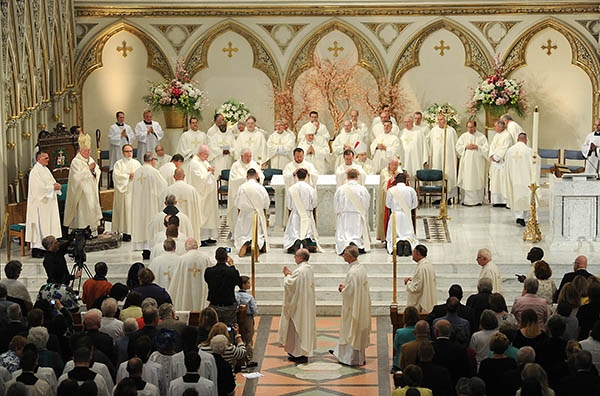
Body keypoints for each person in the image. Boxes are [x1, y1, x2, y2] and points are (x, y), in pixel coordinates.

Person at [331, 245, 371, 366]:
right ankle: (357, 357)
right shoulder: (361, 268)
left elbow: (350, 292)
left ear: (349, 256)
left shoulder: (353, 272)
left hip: (352, 307)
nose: (343, 255)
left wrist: (342, 290)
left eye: (344, 254)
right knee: (357, 331)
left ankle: (349, 359)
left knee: (351, 331)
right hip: (360, 304)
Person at [277, 248, 316, 364]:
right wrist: (290, 274)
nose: (294, 257)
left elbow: (290, 284)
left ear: (301, 258)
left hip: (298, 306)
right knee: (302, 328)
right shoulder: (308, 269)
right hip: (305, 304)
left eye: (296, 256)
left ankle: (299, 353)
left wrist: (287, 275)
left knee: (297, 328)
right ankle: (297, 352)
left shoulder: (300, 271)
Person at [131, 152, 168, 259]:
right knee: (150, 225)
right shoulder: (154, 172)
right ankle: (150, 248)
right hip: (150, 204)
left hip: (139, 204)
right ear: (152, 160)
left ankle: (144, 250)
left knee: (142, 225)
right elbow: (164, 186)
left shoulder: (138, 172)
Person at [63, 134, 102, 234]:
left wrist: (94, 172)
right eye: (86, 151)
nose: (88, 153)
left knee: (91, 211)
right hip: (80, 194)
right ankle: (80, 233)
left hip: (91, 192)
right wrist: (88, 169)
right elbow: (76, 178)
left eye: (89, 151)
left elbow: (97, 171)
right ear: (80, 151)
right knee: (82, 214)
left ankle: (92, 232)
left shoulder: (91, 160)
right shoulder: (76, 162)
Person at [25, 151, 62, 251]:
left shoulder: (45, 170)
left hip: (48, 204)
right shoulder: (35, 172)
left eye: (48, 158)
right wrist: (52, 187)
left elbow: (51, 183)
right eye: (45, 158)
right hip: (40, 205)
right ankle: (39, 248)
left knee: (49, 225)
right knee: (42, 225)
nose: (48, 160)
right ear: (39, 159)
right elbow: (38, 189)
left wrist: (56, 186)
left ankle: (50, 245)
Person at [233, 168, 270, 257]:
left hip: (244, 214)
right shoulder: (261, 188)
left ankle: (244, 244)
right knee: (258, 234)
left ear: (246, 177)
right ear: (256, 176)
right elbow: (266, 204)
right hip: (257, 215)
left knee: (243, 234)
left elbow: (237, 204)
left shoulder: (241, 188)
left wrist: (240, 216)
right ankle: (256, 244)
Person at [334, 169, 371, 255]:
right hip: (357, 216)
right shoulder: (362, 189)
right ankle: (356, 244)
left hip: (344, 216)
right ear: (357, 177)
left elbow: (336, 205)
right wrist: (362, 212)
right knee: (356, 233)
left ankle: (345, 246)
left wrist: (340, 212)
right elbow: (366, 204)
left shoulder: (341, 189)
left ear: (347, 177)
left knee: (344, 235)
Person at [187, 145, 219, 245]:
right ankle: (202, 237)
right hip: (201, 194)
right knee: (201, 214)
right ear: (200, 153)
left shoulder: (203, 161)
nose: (207, 157)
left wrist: (211, 171)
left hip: (208, 194)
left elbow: (208, 173)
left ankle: (209, 235)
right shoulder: (194, 163)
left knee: (210, 215)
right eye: (206, 155)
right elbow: (199, 180)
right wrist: (209, 173)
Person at [283, 168, 319, 254]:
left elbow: (288, 205)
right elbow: (314, 204)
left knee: (295, 232)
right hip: (307, 214)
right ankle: (305, 241)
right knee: (307, 231)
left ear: (296, 176)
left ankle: (296, 242)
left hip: (295, 214)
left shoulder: (291, 189)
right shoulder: (310, 189)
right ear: (307, 176)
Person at [226, 148, 264, 231]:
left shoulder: (254, 164)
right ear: (241, 156)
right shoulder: (236, 166)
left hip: (253, 196)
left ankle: (253, 233)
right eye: (247, 156)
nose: (249, 158)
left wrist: (258, 178)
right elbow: (234, 180)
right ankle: (238, 232)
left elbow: (261, 176)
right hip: (241, 195)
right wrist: (248, 178)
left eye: (250, 156)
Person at [169, 238, 210, 312]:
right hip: (201, 290)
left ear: (186, 247)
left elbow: (177, 279)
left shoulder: (182, 259)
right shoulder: (205, 258)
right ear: (197, 246)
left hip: (186, 291)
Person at [204, 247, 242, 326]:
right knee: (230, 328)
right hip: (229, 305)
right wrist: (232, 265)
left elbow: (207, 280)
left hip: (214, 304)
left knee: (213, 328)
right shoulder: (232, 272)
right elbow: (239, 283)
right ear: (227, 258)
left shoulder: (209, 271)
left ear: (215, 258)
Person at [455, 120, 489, 206]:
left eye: (472, 127)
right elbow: (458, 147)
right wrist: (465, 147)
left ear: (475, 127)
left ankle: (477, 200)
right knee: (467, 179)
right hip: (467, 163)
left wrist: (478, 147)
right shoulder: (463, 136)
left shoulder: (481, 136)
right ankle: (466, 200)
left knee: (477, 179)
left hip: (478, 164)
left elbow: (486, 148)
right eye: (468, 127)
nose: (470, 129)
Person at [112, 144, 141, 241]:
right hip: (124, 192)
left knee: (134, 211)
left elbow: (142, 176)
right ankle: (125, 233)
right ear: (122, 152)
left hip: (135, 192)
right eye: (127, 151)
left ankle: (135, 231)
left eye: (131, 151)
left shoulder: (137, 163)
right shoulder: (118, 164)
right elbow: (116, 177)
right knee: (125, 212)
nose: (129, 153)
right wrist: (128, 177)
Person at [505, 133, 534, 226]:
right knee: (526, 195)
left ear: (517, 139)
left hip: (514, 178)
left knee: (516, 195)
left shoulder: (510, 151)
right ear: (525, 140)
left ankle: (518, 216)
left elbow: (506, 166)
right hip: (526, 178)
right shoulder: (529, 151)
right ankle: (524, 216)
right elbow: (535, 163)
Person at [165, 168, 202, 241]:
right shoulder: (191, 190)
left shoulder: (169, 190)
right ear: (184, 176)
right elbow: (197, 207)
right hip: (189, 219)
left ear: (174, 176)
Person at [386, 173, 418, 256]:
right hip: (406, 214)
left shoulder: (391, 190)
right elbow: (415, 204)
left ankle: (397, 243)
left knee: (394, 234)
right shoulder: (411, 190)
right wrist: (407, 208)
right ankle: (407, 243)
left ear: (396, 181)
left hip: (395, 215)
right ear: (406, 180)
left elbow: (388, 205)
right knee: (408, 233)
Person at [428, 114, 458, 201]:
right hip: (436, 158)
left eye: (441, 119)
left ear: (445, 120)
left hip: (449, 158)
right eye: (438, 120)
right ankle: (437, 197)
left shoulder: (451, 131)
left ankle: (448, 197)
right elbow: (430, 145)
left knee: (448, 173)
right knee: (437, 173)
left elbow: (455, 144)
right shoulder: (433, 131)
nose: (440, 121)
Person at [488, 120, 514, 207]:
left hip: (502, 163)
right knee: (495, 182)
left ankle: (504, 201)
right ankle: (496, 200)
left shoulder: (507, 136)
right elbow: (492, 146)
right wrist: (491, 155)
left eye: (495, 126)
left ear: (501, 126)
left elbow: (505, 148)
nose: (494, 128)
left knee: (503, 181)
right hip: (495, 163)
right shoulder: (496, 135)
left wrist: (497, 157)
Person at [405, 244, 437, 312]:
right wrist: (413, 279)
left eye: (413, 252)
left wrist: (407, 282)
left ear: (418, 254)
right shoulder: (429, 265)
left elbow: (416, 288)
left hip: (421, 301)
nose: (412, 255)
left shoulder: (421, 268)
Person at [378, 157, 403, 241]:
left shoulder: (399, 171)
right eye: (394, 165)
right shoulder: (384, 171)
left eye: (397, 165)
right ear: (389, 164)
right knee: (385, 215)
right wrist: (392, 179)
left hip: (397, 198)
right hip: (386, 197)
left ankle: (398, 235)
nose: (395, 167)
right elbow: (385, 184)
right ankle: (384, 236)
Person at [235, 276, 258, 366]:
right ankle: (248, 358)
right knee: (248, 338)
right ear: (243, 285)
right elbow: (255, 310)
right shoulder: (249, 297)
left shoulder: (235, 295)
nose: (250, 284)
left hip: (237, 318)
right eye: (248, 283)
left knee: (239, 336)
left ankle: (239, 358)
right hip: (247, 318)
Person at [399, 114, 429, 182]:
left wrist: (425, 159)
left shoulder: (419, 132)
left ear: (412, 122)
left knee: (416, 173)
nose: (406, 124)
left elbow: (424, 146)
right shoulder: (401, 133)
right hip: (405, 159)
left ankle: (417, 190)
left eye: (408, 122)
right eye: (405, 122)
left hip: (416, 159)